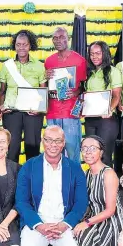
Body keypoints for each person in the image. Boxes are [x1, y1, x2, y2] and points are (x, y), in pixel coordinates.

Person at [73, 135, 123, 246]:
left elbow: (110, 210)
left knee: (84, 237)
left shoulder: (108, 174)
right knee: (75, 233)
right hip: (93, 218)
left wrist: (86, 223)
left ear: (101, 152)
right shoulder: (86, 174)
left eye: (93, 148)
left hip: (111, 220)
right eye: (84, 148)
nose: (88, 152)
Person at [0, 29, 47, 162]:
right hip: (12, 112)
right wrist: (1, 106)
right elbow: (2, 91)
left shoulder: (39, 66)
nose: (21, 47)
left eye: (24, 44)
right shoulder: (7, 66)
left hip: (33, 112)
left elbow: (43, 91)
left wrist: (40, 109)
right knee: (12, 148)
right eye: (18, 44)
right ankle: (11, 180)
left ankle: (31, 179)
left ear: (30, 45)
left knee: (32, 147)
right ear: (14, 45)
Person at [44, 27, 87, 161]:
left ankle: (73, 181)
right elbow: (44, 87)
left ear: (68, 39)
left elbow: (84, 87)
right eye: (55, 38)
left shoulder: (79, 61)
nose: (58, 40)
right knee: (54, 154)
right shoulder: (48, 61)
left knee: (73, 152)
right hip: (52, 112)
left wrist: (75, 91)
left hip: (70, 113)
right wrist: (44, 77)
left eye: (62, 37)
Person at [83, 41, 122, 166]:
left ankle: (108, 185)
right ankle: (94, 185)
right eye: (92, 54)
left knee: (105, 156)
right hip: (90, 119)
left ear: (104, 54)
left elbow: (116, 95)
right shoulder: (89, 73)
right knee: (91, 155)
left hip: (107, 119)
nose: (94, 57)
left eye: (98, 53)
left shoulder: (113, 71)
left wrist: (109, 109)